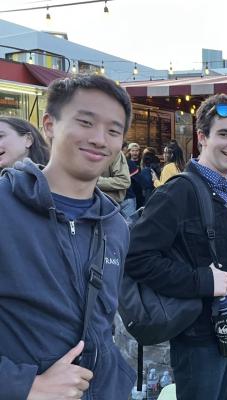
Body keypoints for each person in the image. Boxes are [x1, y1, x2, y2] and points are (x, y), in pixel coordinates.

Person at [125, 94, 227, 400]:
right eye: (225, 134)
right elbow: (135, 258)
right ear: (202, 137)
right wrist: (202, 280)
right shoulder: (178, 192)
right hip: (200, 337)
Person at [0, 74, 136, 399]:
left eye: (113, 130)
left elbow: (102, 322)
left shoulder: (115, 225)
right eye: (86, 122)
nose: (100, 139)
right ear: (48, 125)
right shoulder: (5, 206)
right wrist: (25, 385)